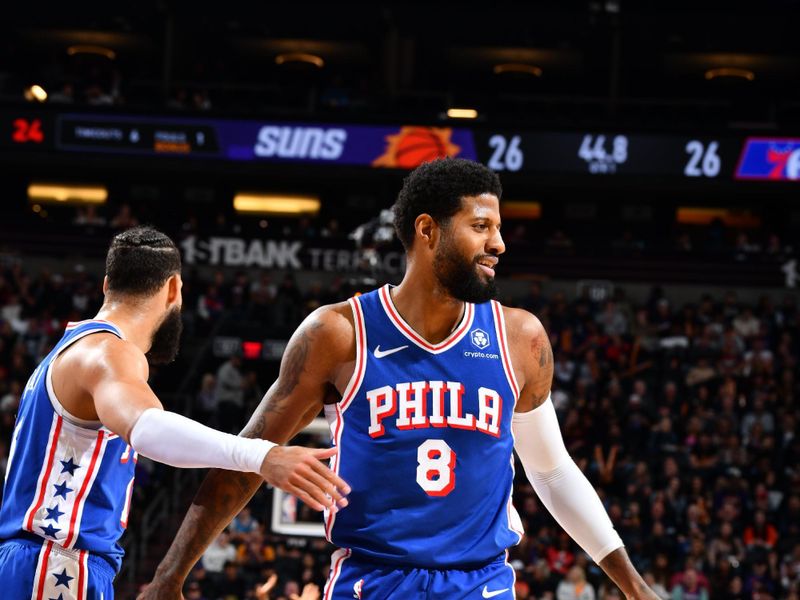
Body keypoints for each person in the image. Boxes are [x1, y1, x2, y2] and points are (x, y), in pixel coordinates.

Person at [141, 159, 658, 599]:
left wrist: (633, 585)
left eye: (498, 229)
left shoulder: (520, 338)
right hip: (373, 580)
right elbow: (248, 458)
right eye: (480, 227)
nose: (498, 244)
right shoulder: (339, 333)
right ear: (428, 230)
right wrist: (169, 574)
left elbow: (551, 472)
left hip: (483, 583)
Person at [0, 226, 347, 599]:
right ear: (173, 289)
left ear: (106, 286)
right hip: (54, 566)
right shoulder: (110, 353)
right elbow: (147, 427)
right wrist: (264, 455)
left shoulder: (68, 350)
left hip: (39, 564)